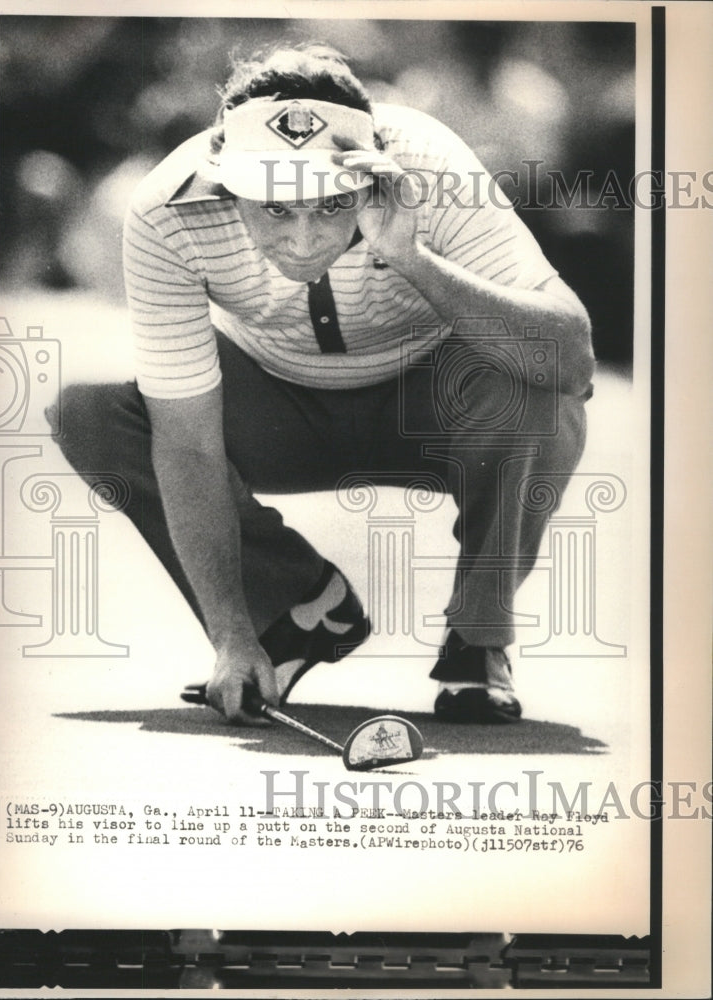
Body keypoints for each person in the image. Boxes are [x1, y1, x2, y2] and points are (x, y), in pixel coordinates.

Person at [52, 44, 594, 727]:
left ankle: (478, 642)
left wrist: (411, 256)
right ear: (227, 185)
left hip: (435, 410)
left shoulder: (430, 163)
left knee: (534, 379)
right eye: (276, 211)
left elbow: (571, 359)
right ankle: (295, 612)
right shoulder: (166, 206)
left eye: (331, 205)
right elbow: (187, 440)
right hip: (276, 412)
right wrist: (230, 632)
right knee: (91, 413)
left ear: (369, 182)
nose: (305, 240)